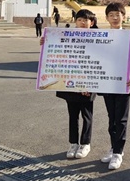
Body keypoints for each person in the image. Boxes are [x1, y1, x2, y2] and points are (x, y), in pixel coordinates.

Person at [41, 9, 97, 160]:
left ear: (91, 23)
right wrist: (45, 43)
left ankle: (85, 143)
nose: (83, 22)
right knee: (73, 115)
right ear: (75, 21)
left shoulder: (99, 39)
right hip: (70, 84)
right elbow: (55, 52)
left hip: (88, 84)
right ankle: (73, 143)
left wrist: (90, 86)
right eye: (80, 19)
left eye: (86, 20)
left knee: (87, 115)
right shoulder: (66, 36)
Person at [99, 3, 130, 170]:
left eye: (118, 14)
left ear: (124, 17)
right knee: (112, 119)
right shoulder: (101, 36)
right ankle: (113, 147)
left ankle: (118, 152)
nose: (115, 18)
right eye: (111, 15)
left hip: (124, 84)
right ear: (107, 18)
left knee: (121, 119)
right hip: (107, 82)